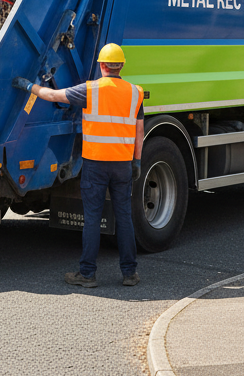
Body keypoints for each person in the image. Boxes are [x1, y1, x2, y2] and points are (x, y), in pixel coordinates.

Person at [13, 43, 145, 288]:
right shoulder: (135, 93)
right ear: (121, 66)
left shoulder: (90, 90)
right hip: (122, 165)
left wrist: (28, 86)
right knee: (124, 217)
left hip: (96, 164)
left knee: (93, 218)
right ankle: (129, 273)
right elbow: (139, 131)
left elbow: (52, 96)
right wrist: (136, 160)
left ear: (102, 66)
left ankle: (87, 274)